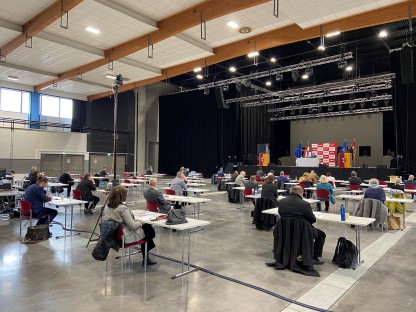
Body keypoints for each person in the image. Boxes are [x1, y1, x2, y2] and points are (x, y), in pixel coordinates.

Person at [104, 186, 157, 266]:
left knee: (147, 231)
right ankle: (146, 256)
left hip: (112, 236)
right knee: (148, 229)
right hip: (124, 237)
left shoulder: (107, 207)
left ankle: (146, 255)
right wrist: (141, 222)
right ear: (122, 196)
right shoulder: (122, 208)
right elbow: (133, 226)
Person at [277, 186, 326, 264]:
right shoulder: (305, 204)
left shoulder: (281, 202)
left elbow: (281, 214)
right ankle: (314, 257)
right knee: (321, 235)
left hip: (285, 230)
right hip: (302, 231)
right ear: (301, 193)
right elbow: (312, 220)